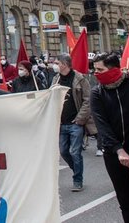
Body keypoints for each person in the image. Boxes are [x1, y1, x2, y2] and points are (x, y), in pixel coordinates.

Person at [89, 53, 129, 223]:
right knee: (125, 201)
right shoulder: (97, 93)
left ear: (114, 69)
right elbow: (102, 125)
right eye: (94, 70)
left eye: (100, 69)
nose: (96, 73)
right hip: (114, 154)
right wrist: (118, 150)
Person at [52, 54, 91, 192]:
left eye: (56, 62)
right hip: (62, 123)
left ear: (64, 64)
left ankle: (77, 180)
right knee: (63, 151)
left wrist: (80, 119)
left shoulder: (80, 79)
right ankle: (77, 169)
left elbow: (88, 100)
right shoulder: (55, 79)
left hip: (76, 123)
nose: (54, 65)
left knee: (75, 152)